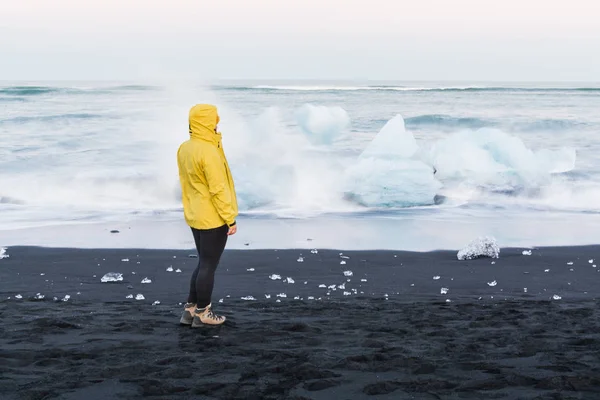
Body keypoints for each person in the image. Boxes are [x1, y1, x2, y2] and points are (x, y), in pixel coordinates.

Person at [177, 104, 238, 327]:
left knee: (203, 262)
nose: (217, 122)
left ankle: (189, 311)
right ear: (206, 122)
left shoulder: (185, 148)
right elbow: (218, 189)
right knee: (208, 266)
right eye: (214, 119)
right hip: (212, 217)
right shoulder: (209, 151)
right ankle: (203, 313)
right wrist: (229, 218)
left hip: (194, 213)